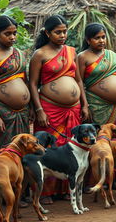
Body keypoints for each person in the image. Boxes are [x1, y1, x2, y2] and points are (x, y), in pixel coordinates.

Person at [29, 15, 88, 204]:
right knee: (50, 148)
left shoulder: (72, 51)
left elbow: (78, 80)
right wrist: (38, 110)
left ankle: (65, 189)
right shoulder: (40, 54)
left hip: (74, 108)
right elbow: (32, 83)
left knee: (70, 148)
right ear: (47, 33)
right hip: (49, 109)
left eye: (65, 31)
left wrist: (84, 104)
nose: (63, 35)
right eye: (58, 32)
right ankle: (46, 192)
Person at [0, 15, 30, 147]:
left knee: (22, 149)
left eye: (14, 33)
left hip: (22, 111)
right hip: (1, 111)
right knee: (1, 151)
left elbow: (25, 80)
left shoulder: (19, 53)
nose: (12, 37)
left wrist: (30, 107)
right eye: (7, 34)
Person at [78, 23, 116, 131]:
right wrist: (84, 104)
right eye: (97, 38)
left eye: (103, 37)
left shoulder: (111, 54)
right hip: (98, 105)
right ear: (88, 40)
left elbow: (114, 72)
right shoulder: (83, 57)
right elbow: (79, 81)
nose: (101, 40)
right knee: (102, 137)